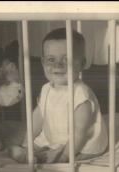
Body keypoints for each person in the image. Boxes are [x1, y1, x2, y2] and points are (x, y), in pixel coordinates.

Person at [10, 28, 108, 163]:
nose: (58, 65)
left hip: (82, 140)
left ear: (82, 64)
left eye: (66, 59)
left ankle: (56, 155)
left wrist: (65, 156)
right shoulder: (46, 89)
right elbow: (38, 117)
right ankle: (28, 153)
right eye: (51, 59)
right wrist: (27, 141)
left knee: (74, 152)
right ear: (43, 62)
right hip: (56, 136)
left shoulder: (81, 94)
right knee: (30, 146)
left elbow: (80, 131)